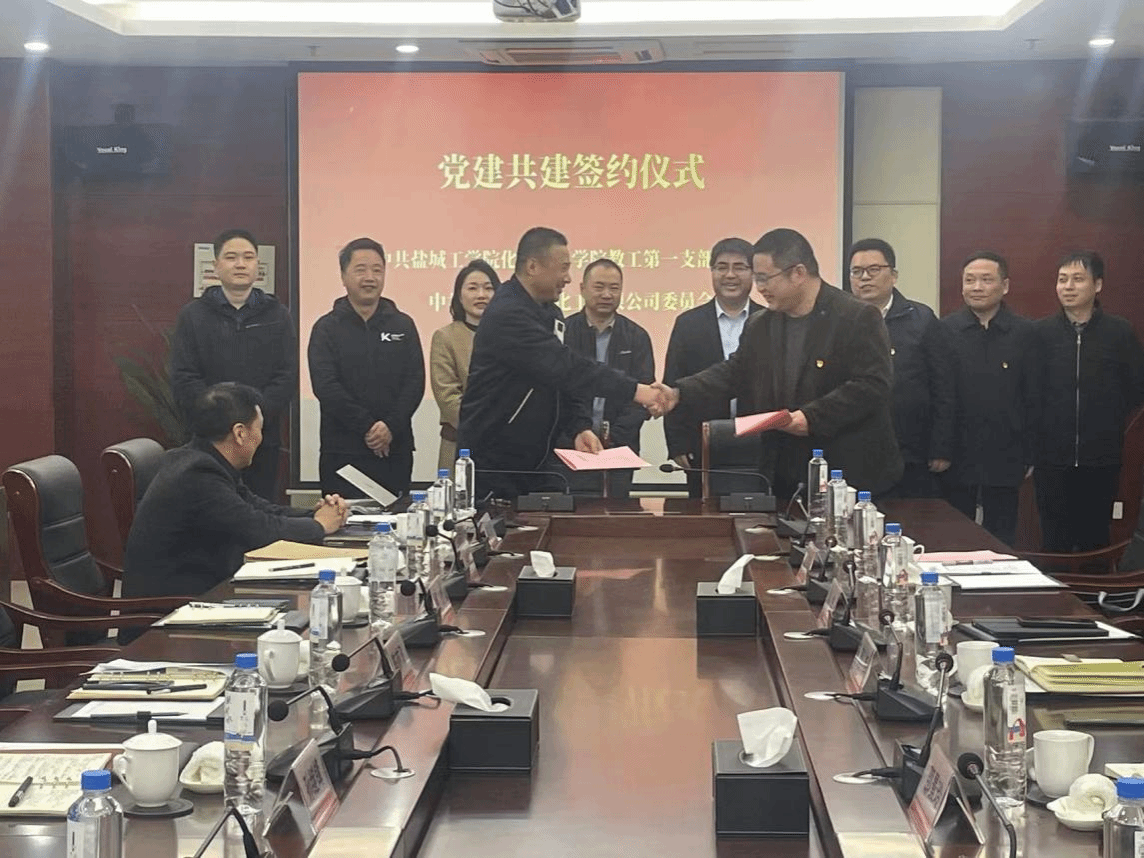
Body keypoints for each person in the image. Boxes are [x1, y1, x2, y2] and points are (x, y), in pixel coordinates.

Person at [655, 228, 901, 498]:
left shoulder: (856, 316)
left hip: (849, 471)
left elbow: (872, 384)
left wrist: (811, 418)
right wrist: (679, 392)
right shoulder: (761, 323)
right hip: (785, 473)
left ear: (798, 273)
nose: (759, 288)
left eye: (764, 278)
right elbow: (735, 372)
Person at [457, 227, 663, 498]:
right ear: (533, 266)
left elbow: (559, 381)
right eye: (563, 268)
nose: (567, 278)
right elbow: (566, 367)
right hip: (496, 459)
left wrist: (579, 426)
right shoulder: (508, 312)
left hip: (534, 459)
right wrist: (635, 390)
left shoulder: (549, 312)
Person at [122, 383, 347, 603]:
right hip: (176, 604)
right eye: (259, 429)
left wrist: (315, 514)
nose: (261, 438)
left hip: (204, 589)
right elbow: (257, 529)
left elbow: (258, 508)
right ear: (240, 433)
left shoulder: (201, 460)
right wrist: (319, 526)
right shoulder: (198, 474)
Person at [169, 228, 297, 501]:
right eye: (231, 257)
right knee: (211, 511)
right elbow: (184, 376)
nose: (240, 264)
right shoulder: (193, 315)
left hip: (261, 438)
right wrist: (222, 419)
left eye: (248, 257)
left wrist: (252, 418)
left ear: (257, 265)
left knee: (261, 511)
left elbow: (286, 376)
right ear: (216, 265)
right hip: (210, 439)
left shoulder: (278, 315)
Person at [1032, 251, 1144, 552]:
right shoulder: (1040, 333)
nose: (1068, 286)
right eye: (1062, 279)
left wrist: (1107, 418)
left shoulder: (1119, 332)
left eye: (1078, 279)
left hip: (1101, 457)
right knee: (1053, 538)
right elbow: (1029, 392)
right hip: (1051, 458)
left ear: (1098, 285)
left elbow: (1136, 389)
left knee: (1094, 537)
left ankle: (1093, 586)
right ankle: (1056, 585)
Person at [309, 237, 425, 499]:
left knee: (395, 518)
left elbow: (414, 382)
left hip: (395, 448)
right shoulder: (326, 328)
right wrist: (368, 427)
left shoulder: (403, 325)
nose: (370, 277)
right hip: (343, 449)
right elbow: (326, 386)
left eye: (377, 269)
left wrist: (389, 427)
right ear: (343, 276)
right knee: (342, 520)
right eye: (360, 270)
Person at [941, 251, 1036, 546]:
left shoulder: (1025, 333)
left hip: (1006, 452)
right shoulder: (945, 330)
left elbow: (1033, 397)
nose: (977, 287)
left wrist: (1030, 452)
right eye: (969, 280)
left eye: (986, 280)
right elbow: (938, 395)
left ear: (1005, 286)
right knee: (955, 536)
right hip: (957, 453)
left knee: (1001, 537)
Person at [849, 238, 955, 498]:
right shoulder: (840, 320)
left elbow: (943, 386)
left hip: (910, 448)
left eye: (874, 270)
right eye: (857, 271)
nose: (865, 278)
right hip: (853, 448)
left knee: (911, 518)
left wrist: (941, 446)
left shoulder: (921, 319)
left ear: (893, 275)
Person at [662, 238, 765, 496]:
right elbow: (674, 380)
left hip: (759, 441)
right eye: (722, 267)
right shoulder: (688, 323)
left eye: (739, 267)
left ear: (753, 273)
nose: (730, 275)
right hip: (701, 442)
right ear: (711, 271)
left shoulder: (769, 321)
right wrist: (677, 443)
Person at [560, 258, 655, 498]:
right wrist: (578, 429)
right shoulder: (565, 333)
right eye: (599, 287)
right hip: (570, 446)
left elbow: (642, 395)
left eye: (614, 288)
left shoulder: (637, 336)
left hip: (619, 450)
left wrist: (612, 438)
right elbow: (559, 390)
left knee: (616, 514)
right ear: (582, 289)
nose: (606, 294)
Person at [430, 260, 500, 471]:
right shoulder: (445, 337)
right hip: (460, 446)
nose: (481, 295)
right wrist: (484, 426)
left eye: (488, 288)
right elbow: (447, 397)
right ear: (459, 297)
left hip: (504, 447)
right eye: (472, 288)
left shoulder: (512, 336)